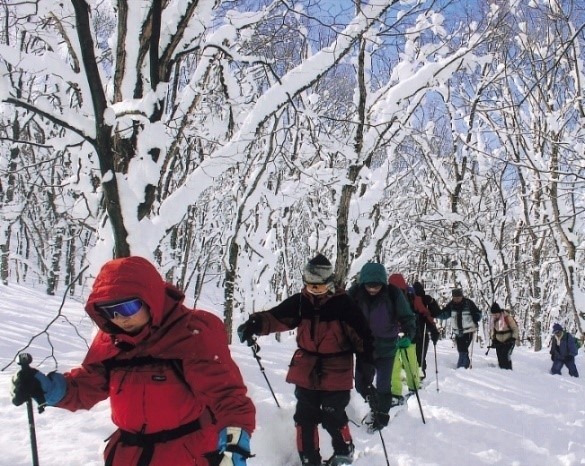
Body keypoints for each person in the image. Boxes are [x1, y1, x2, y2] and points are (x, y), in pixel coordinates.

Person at [11, 256, 255, 466]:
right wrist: (49, 388)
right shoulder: (112, 340)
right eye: (110, 311)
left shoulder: (189, 334)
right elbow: (87, 384)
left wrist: (235, 444)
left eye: (128, 307)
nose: (120, 319)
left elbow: (228, 397)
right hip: (128, 455)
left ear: (150, 299)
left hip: (186, 454)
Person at [237, 253, 374, 466]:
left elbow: (362, 336)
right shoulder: (301, 302)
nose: (314, 291)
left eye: (318, 287)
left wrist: (367, 359)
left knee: (332, 415)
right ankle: (310, 460)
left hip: (337, 369)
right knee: (304, 418)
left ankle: (344, 449)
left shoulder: (344, 304)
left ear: (329, 283)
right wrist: (255, 324)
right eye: (310, 286)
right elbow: (277, 317)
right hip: (306, 368)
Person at [347, 264, 416, 434]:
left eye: (376, 286)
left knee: (384, 386)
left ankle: (381, 417)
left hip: (386, 347)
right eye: (369, 285)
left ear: (382, 284)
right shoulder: (354, 294)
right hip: (364, 348)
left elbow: (407, 316)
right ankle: (374, 404)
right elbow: (341, 314)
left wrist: (409, 332)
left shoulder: (393, 293)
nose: (372, 289)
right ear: (363, 283)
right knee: (361, 385)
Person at [386, 274, 422, 400]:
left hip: (402, 336)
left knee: (398, 365)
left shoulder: (410, 297)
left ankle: (397, 392)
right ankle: (412, 387)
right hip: (405, 336)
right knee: (407, 363)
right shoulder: (410, 296)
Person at [437, 288, 482, 369]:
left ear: (462, 296)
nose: (457, 299)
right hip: (457, 331)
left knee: (463, 348)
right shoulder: (451, 305)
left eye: (458, 297)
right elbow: (444, 314)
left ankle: (462, 367)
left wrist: (477, 317)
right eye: (455, 298)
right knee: (460, 348)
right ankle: (465, 364)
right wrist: (435, 314)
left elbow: (478, 313)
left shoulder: (468, 303)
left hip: (468, 330)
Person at [406, 284, 440, 379]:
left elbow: (433, 314)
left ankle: (417, 375)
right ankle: (419, 374)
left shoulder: (422, 301)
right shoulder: (421, 301)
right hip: (421, 333)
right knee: (419, 356)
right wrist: (434, 331)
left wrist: (432, 302)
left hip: (417, 333)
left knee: (415, 356)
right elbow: (433, 315)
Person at [489, 302, 520, 370]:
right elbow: (493, 331)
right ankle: (502, 373)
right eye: (493, 314)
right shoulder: (493, 320)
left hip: (508, 341)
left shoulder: (507, 318)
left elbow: (515, 329)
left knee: (505, 356)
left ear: (499, 312)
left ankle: (508, 371)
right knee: (500, 358)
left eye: (496, 314)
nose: (495, 316)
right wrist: (493, 340)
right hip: (498, 341)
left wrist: (513, 338)